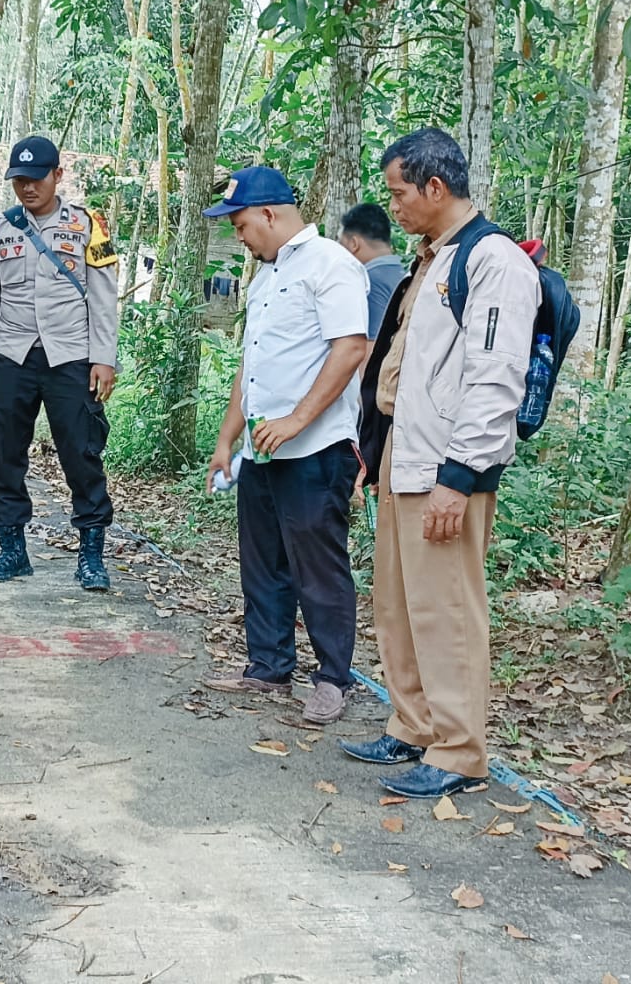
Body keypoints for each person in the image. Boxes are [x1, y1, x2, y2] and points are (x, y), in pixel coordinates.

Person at [339, 128, 540, 797]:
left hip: (449, 463)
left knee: (446, 606)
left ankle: (458, 750)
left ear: (434, 186)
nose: (391, 207)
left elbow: (495, 378)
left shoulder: (492, 261)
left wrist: (460, 477)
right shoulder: (431, 260)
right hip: (405, 449)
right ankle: (412, 721)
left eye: (398, 192)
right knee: (399, 601)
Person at [201, 167, 370, 725]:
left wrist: (299, 419)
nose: (239, 237)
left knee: (317, 566)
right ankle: (268, 665)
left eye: (242, 225)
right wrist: (229, 438)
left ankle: (332, 679)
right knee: (263, 560)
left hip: (315, 449)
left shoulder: (331, 265)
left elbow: (350, 349)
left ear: (270, 214)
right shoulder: (265, 277)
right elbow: (252, 366)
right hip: (262, 449)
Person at [0, 136, 119, 591]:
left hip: (71, 357)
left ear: (58, 176)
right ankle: (12, 551)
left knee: (82, 453)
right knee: (5, 452)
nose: (27, 188)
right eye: (19, 181)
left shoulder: (88, 226)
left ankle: (91, 555)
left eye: (36, 178)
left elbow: (105, 299)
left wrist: (104, 359)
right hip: (13, 355)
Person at [338, 202, 407, 341]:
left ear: (354, 244)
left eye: (340, 243)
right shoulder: (410, 269)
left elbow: (370, 349)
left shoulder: (368, 282)